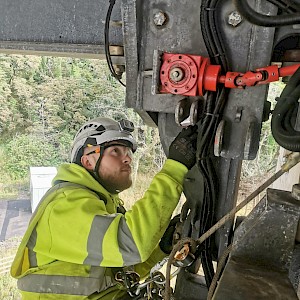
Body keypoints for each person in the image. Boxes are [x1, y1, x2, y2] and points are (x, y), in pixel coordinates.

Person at [11, 117, 197, 299]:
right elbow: (132, 244)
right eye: (115, 151)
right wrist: (174, 168)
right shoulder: (64, 206)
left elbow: (121, 274)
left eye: (127, 152)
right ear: (88, 162)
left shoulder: (102, 204)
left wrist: (161, 250)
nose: (127, 159)